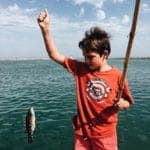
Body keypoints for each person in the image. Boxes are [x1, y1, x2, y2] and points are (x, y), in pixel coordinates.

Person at [37, 9, 134, 150]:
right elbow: (54, 55)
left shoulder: (118, 76)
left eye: (91, 57)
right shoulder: (80, 69)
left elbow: (128, 102)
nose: (86, 60)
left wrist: (122, 103)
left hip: (106, 137)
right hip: (82, 135)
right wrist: (45, 30)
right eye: (84, 56)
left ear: (105, 54)